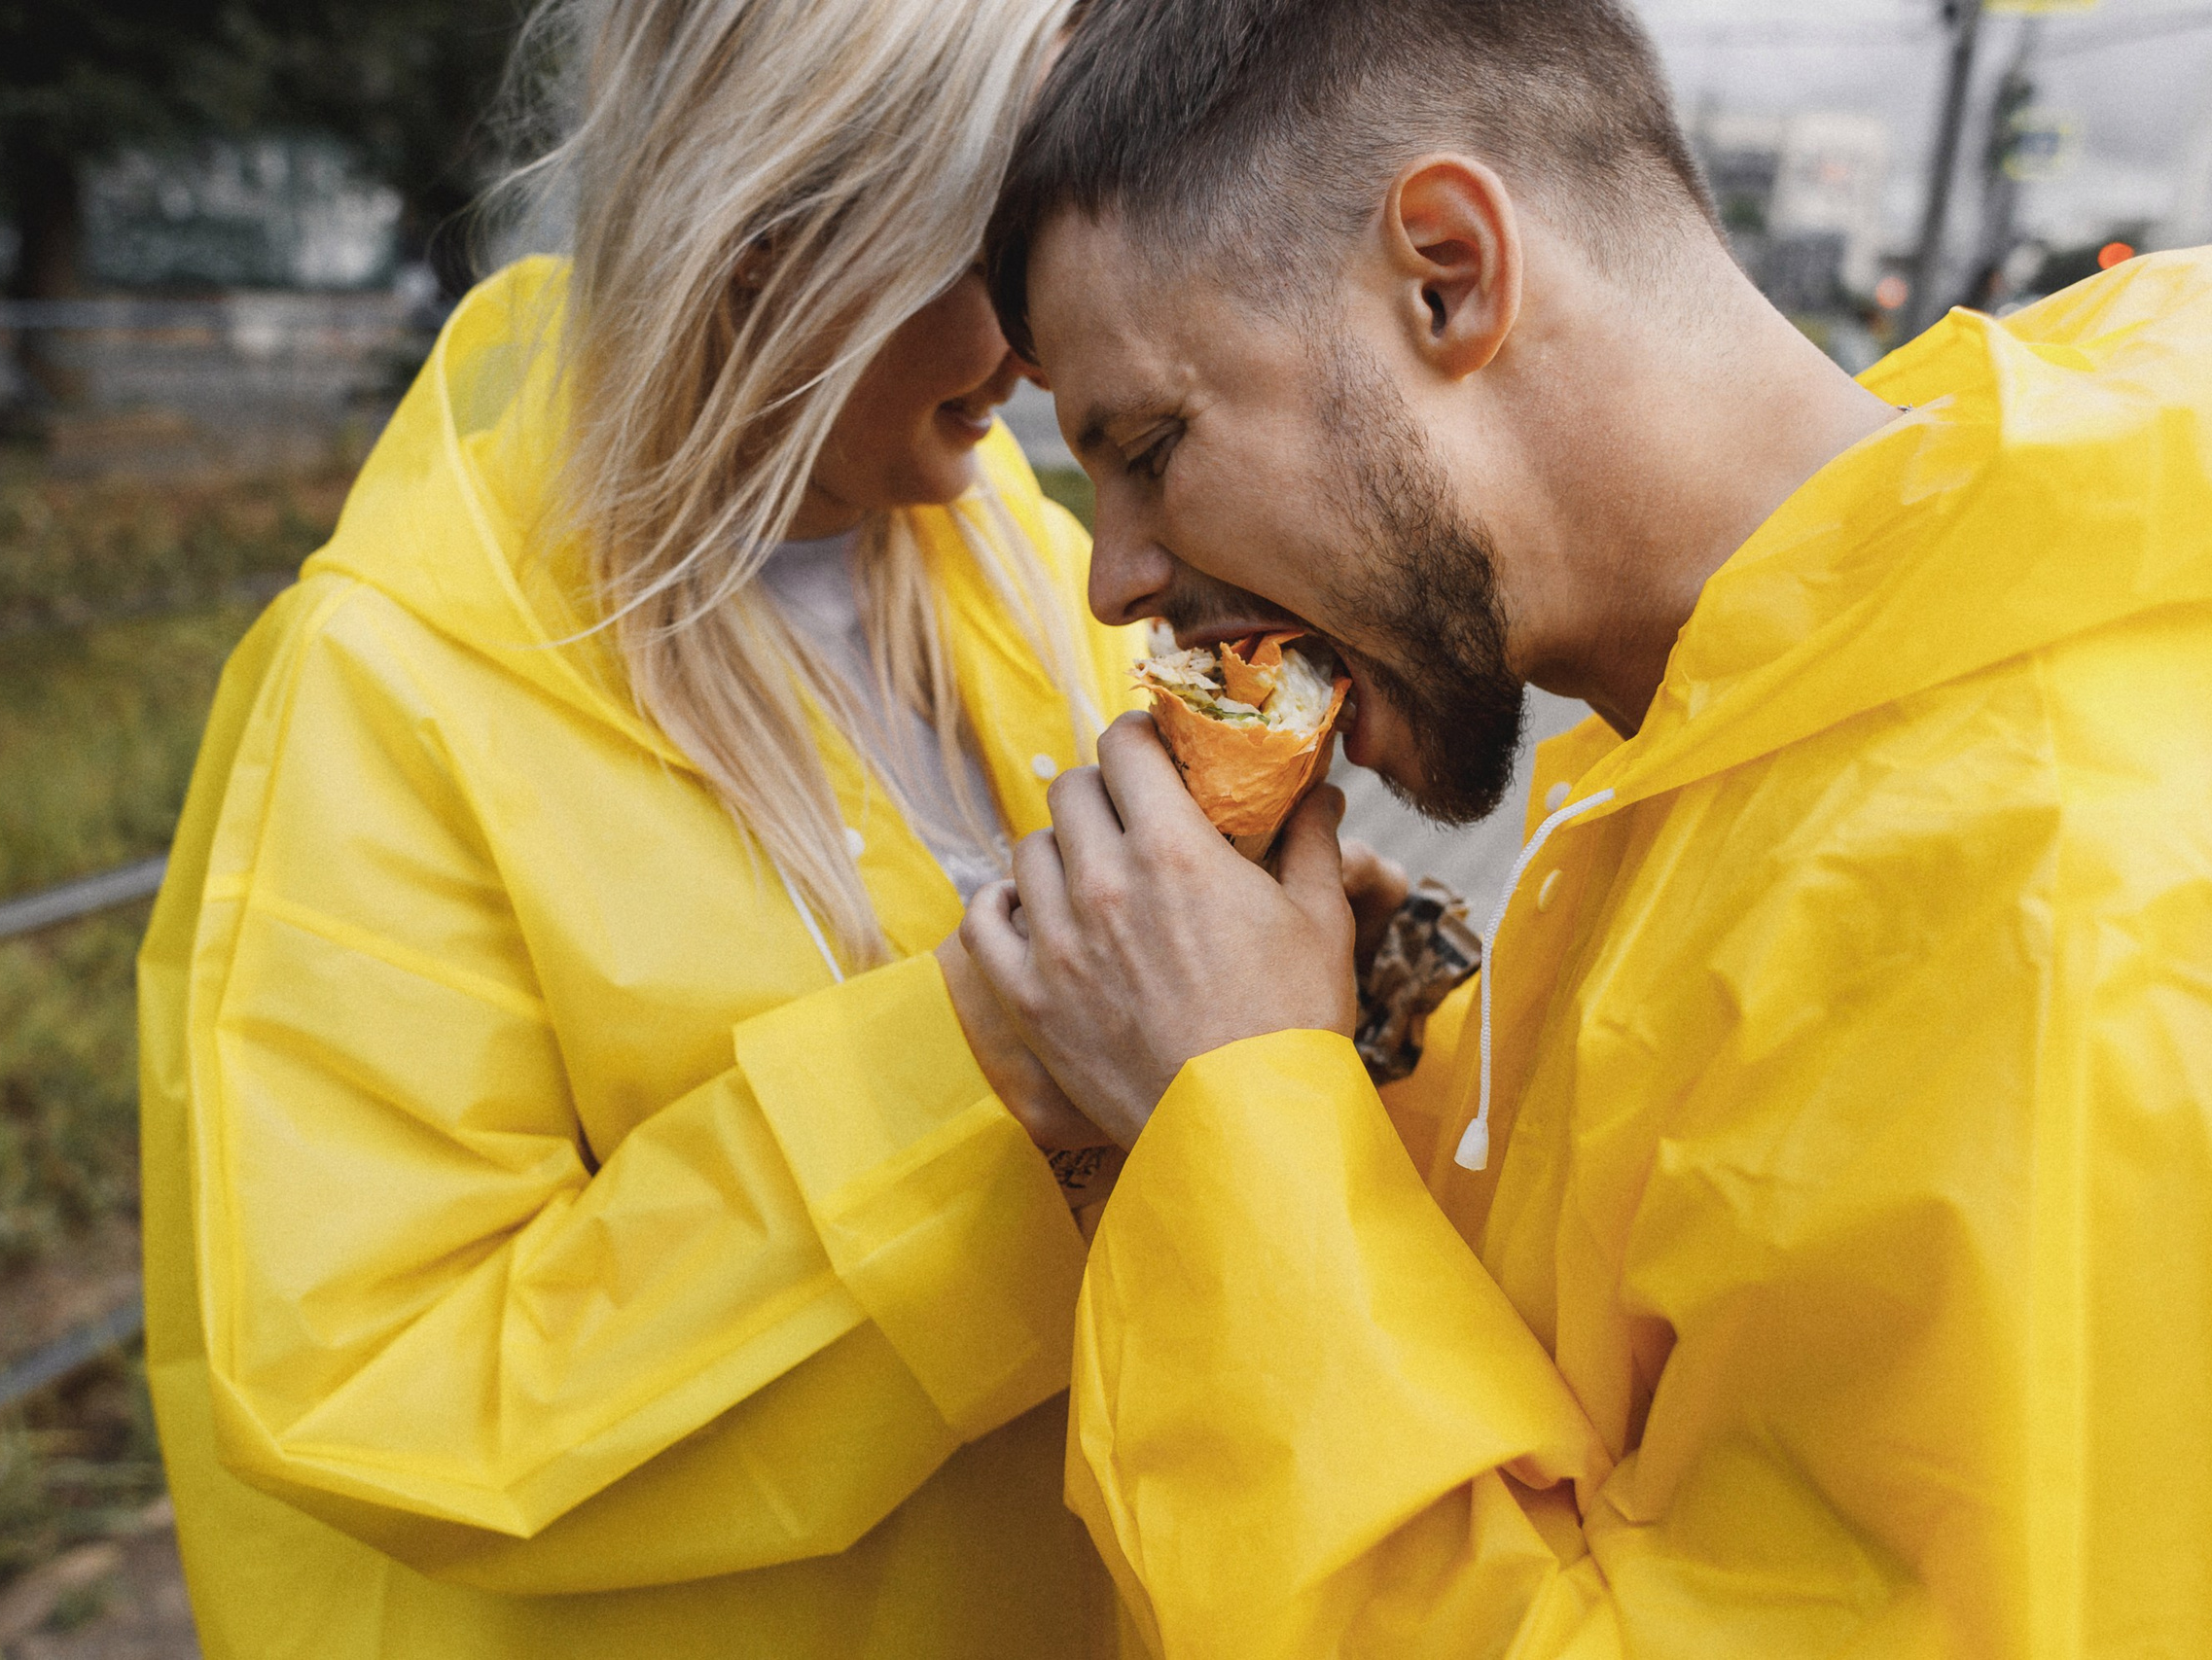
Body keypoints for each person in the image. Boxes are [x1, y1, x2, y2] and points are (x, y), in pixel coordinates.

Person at [962, 0, 2212, 1654]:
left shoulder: (2038, 909)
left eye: (1151, 447)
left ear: (1448, 275)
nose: (1114, 574)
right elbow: (1587, 1393)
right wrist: (1324, 1054)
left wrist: (1226, 1121)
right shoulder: (1729, 728)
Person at [136, 0, 1143, 1654]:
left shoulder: (1028, 566)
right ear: (771, 230)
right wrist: (993, 1060)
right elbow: (382, 1383)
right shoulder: (397, 692)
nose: (1048, 333)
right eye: (1003, 244)